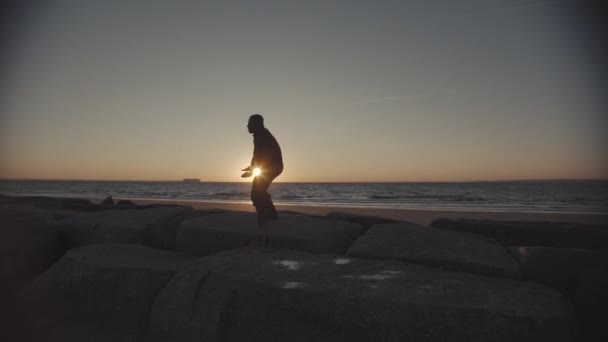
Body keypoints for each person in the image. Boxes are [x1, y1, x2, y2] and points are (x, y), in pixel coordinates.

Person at [241, 114, 283, 226]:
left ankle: (264, 218)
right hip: (271, 167)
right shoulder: (261, 134)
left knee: (256, 193)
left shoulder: (261, 135)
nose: (247, 126)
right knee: (260, 191)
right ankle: (271, 214)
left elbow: (260, 155)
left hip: (271, 167)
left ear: (256, 124)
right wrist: (251, 168)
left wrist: (252, 170)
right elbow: (258, 155)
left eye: (249, 123)